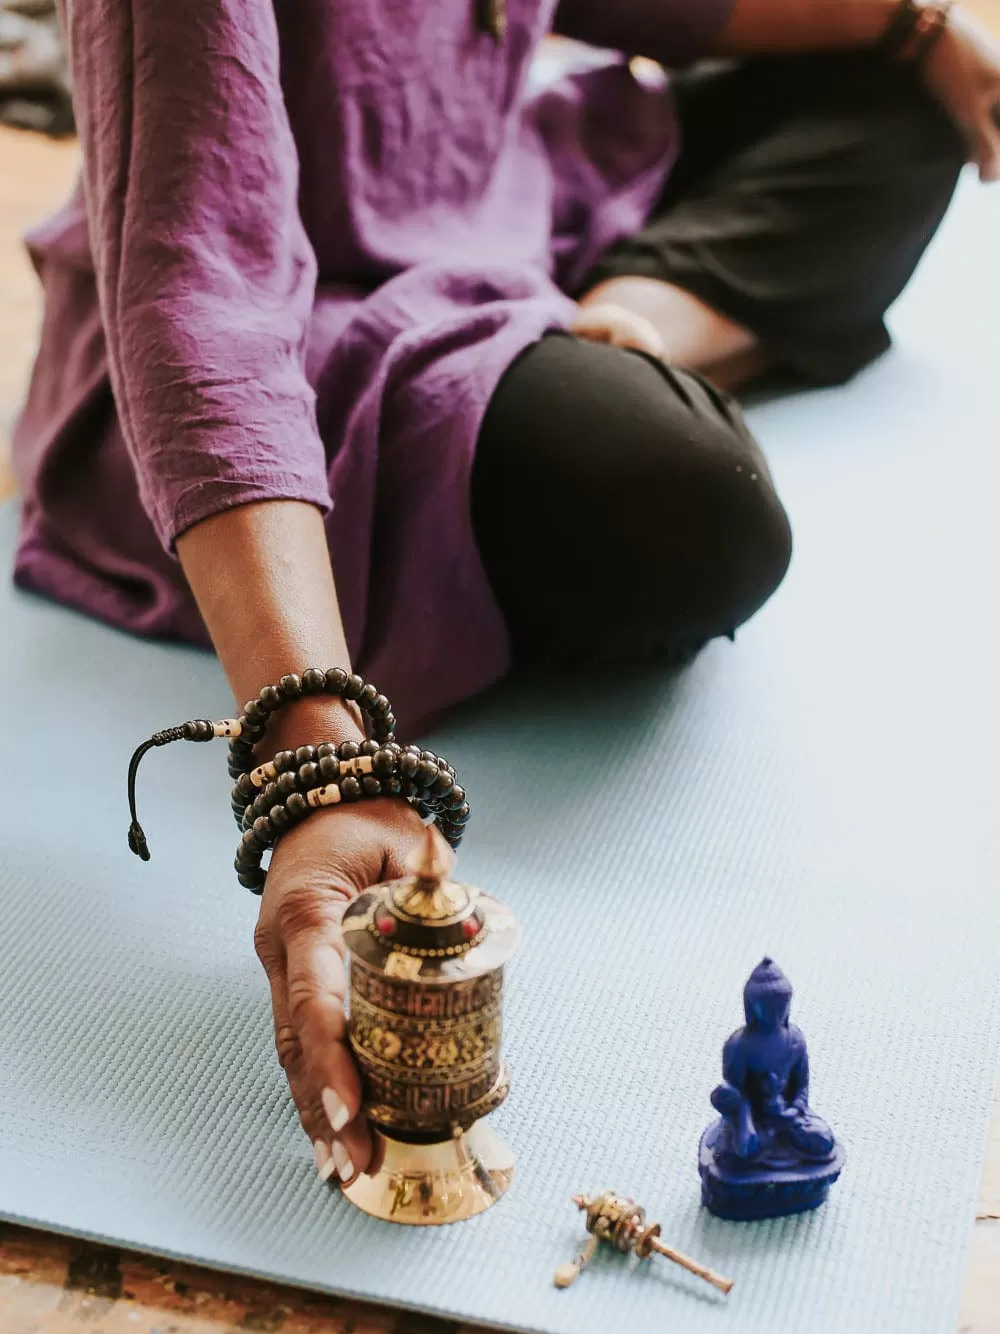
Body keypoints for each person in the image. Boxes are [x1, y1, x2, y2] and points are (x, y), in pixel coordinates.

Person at [11, 1, 1000, 1186]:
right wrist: (320, 764)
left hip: (497, 198)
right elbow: (203, 290)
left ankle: (616, 328)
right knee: (697, 512)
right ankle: (588, 365)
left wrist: (914, 24)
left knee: (906, 103)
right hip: (289, 351)